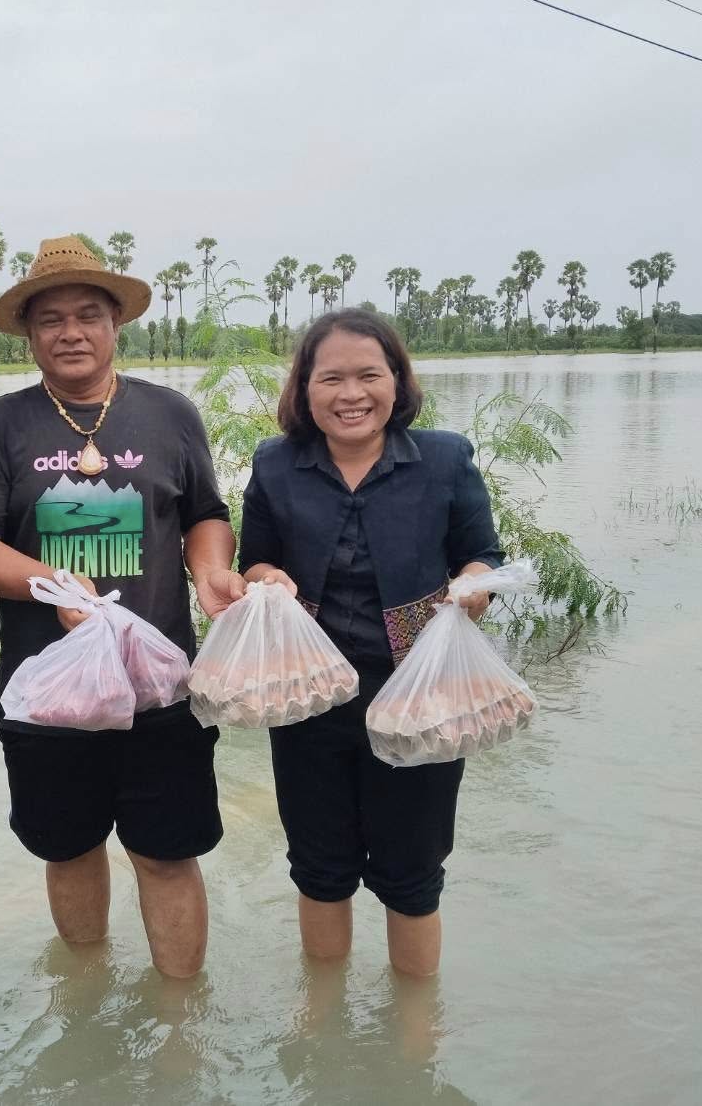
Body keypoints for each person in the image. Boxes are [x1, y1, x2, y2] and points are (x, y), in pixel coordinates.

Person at [0, 237, 244, 979]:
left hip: (161, 686)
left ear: (116, 324)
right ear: (28, 334)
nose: (70, 332)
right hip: (49, 692)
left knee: (167, 852)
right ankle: (85, 1006)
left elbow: (206, 511)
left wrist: (209, 569)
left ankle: (179, 1018)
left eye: (87, 314)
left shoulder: (169, 414)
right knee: (68, 846)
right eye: (50, 319)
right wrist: (51, 584)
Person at [237, 308, 501, 977]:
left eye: (367, 375)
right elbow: (254, 561)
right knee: (318, 869)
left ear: (395, 382)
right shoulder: (274, 465)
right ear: (303, 389)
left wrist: (472, 588)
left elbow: (481, 557)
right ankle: (322, 1020)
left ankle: (411, 1044)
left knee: (412, 875)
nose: (349, 394)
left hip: (421, 693)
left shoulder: (443, 459)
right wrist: (265, 578)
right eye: (330, 378)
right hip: (307, 698)